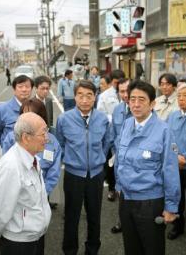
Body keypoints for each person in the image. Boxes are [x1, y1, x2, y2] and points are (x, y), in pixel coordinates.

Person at [116, 80, 181, 255]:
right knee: (131, 248)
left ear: (152, 104)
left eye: (142, 100)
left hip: (150, 202)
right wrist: (118, 187)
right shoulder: (127, 124)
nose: (136, 104)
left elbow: (171, 170)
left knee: (152, 249)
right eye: (132, 99)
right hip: (126, 200)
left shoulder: (164, 131)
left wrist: (171, 207)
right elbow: (120, 160)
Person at [56, 80, 110, 255]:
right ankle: (70, 250)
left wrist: (97, 159)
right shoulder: (64, 119)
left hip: (96, 174)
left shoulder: (102, 119)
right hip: (73, 175)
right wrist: (69, 159)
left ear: (95, 97)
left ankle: (92, 249)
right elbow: (60, 144)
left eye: (89, 95)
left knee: (94, 215)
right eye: (81, 95)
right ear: (75, 96)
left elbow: (106, 143)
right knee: (72, 216)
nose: (85, 100)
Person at [0, 112, 51, 255]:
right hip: (19, 244)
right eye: (43, 134)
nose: (47, 138)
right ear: (26, 137)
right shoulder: (11, 166)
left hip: (34, 237)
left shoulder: (31, 157)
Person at [2, 98, 61, 200]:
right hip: (16, 195)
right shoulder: (11, 138)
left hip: (41, 194)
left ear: (42, 117)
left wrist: (43, 192)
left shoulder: (52, 141)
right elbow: (5, 169)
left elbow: (54, 172)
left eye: (33, 115)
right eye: (24, 115)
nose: (28, 119)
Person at [97, 69, 125, 201]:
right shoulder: (105, 95)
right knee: (111, 163)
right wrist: (113, 117)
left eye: (120, 82)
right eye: (115, 82)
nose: (118, 85)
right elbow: (100, 114)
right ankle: (112, 189)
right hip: (110, 133)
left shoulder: (130, 94)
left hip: (125, 135)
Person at [167, 83, 186, 240]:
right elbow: (170, 138)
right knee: (177, 197)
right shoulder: (173, 116)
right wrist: (176, 156)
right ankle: (178, 226)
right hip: (175, 165)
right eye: (179, 96)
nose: (181, 99)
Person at [110, 78, 131, 234]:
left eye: (128, 90)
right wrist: (113, 153)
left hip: (137, 161)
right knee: (121, 193)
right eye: (122, 91)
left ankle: (136, 223)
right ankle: (121, 221)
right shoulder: (117, 109)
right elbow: (113, 135)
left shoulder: (143, 109)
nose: (125, 94)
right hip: (119, 160)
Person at [0, 75, 34, 147]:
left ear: (31, 89)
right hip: (9, 154)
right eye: (20, 87)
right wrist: (3, 146)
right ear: (14, 89)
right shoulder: (2, 109)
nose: (24, 89)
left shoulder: (37, 108)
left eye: (27, 87)